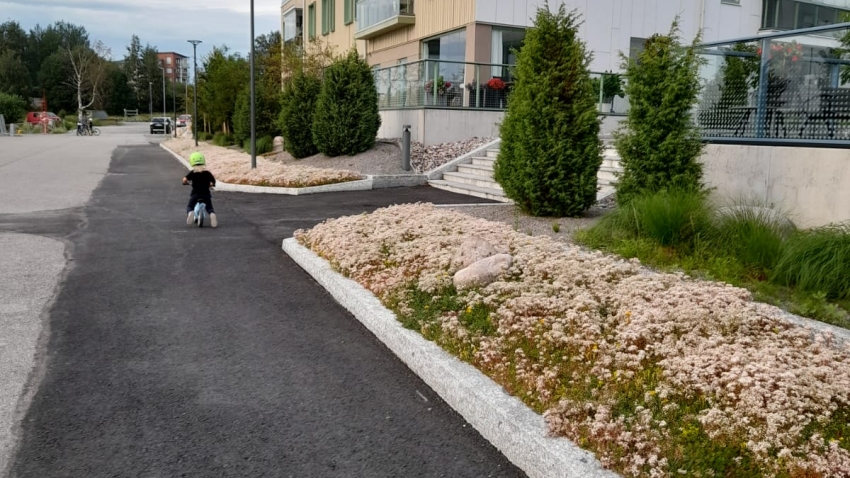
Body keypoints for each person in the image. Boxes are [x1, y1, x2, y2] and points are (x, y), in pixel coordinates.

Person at [182, 151, 218, 227]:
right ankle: (212, 214)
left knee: (189, 206)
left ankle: (190, 213)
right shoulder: (207, 173)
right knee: (209, 207)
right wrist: (211, 184)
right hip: (206, 194)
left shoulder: (193, 173)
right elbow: (213, 181)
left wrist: (186, 182)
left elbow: (184, 179)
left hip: (195, 194)